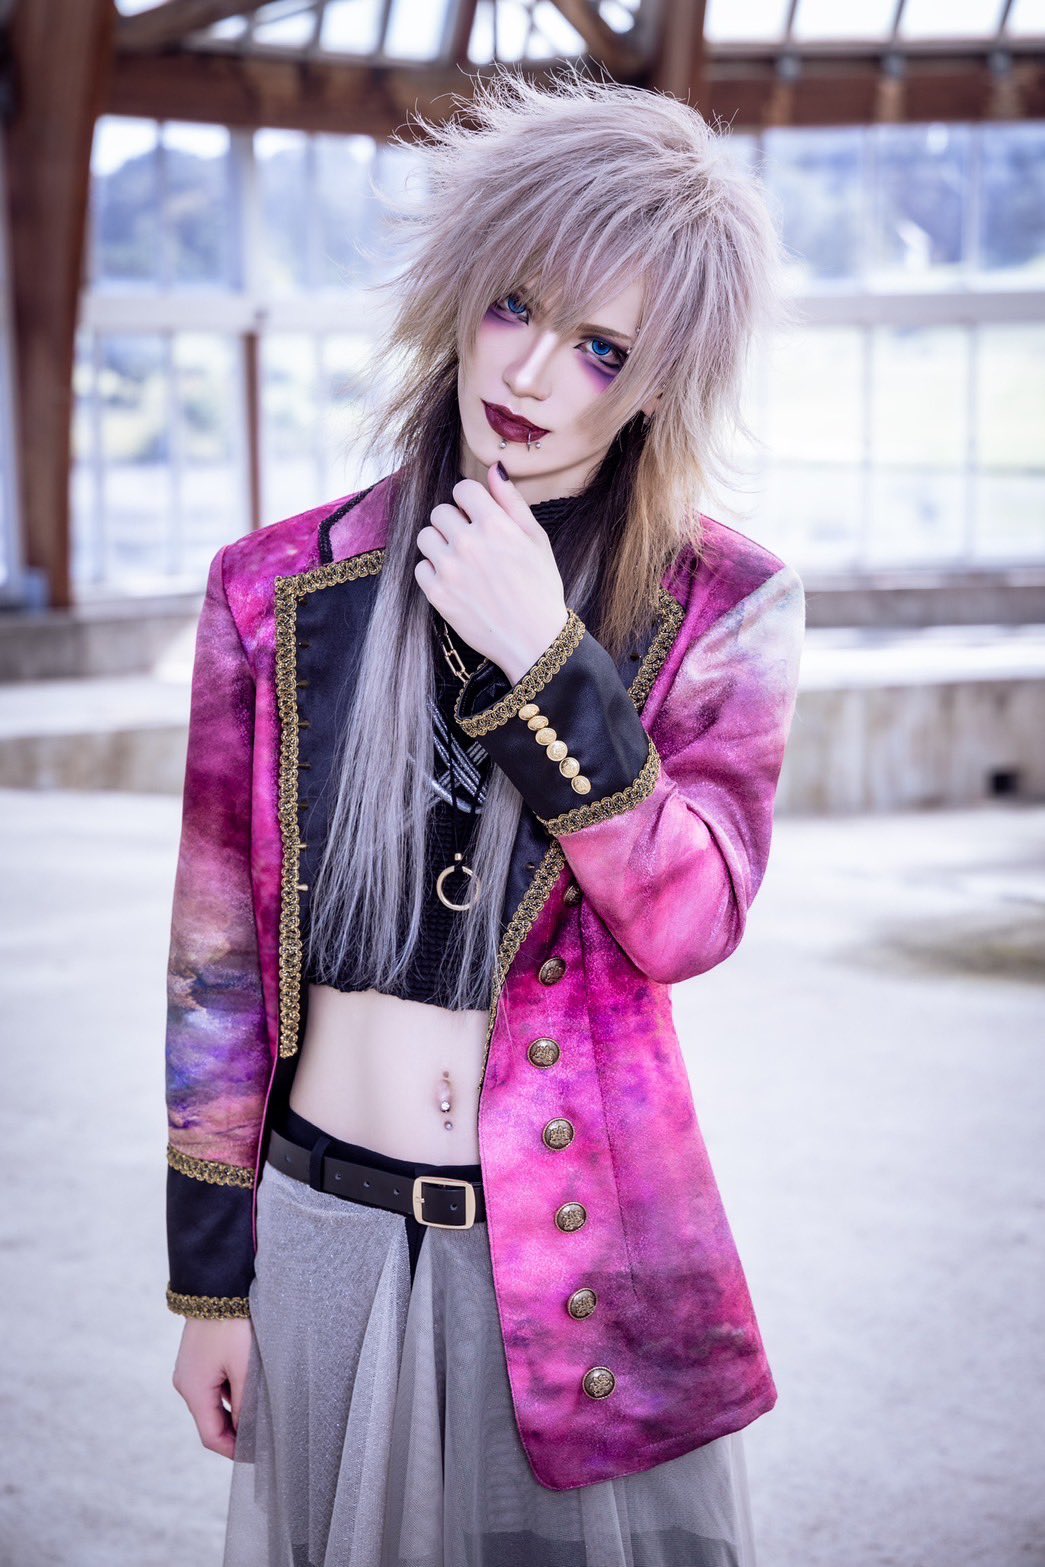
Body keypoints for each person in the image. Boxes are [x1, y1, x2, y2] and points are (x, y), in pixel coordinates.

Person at [165, 63, 805, 1567]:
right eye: (513, 306)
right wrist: (207, 1281)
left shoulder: (722, 603)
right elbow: (213, 975)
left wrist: (548, 666)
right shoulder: (274, 591)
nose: (529, 372)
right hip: (320, 1228)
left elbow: (693, 917)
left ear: (660, 381)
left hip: (574, 1241)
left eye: (600, 347)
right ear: (460, 293)